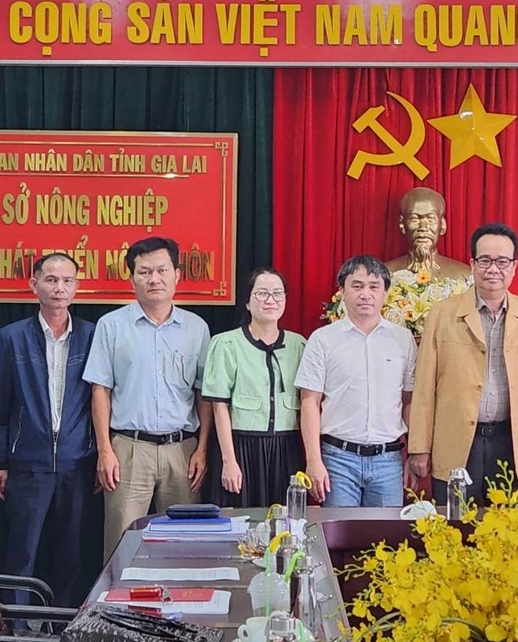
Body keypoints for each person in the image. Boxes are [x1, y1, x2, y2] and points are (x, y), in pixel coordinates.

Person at [83, 237, 212, 560]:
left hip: (182, 451)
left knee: (184, 546)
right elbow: (100, 390)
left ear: (176, 275)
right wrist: (105, 451)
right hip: (128, 450)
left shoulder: (196, 328)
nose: (154, 279)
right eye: (144, 272)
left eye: (161, 270)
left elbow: (203, 394)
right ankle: (114, 610)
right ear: (132, 278)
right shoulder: (111, 326)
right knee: (121, 547)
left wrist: (203, 448)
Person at [0, 252, 98, 607]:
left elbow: (101, 401)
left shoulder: (92, 336)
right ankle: (18, 625)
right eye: (51, 280)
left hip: (77, 463)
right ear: (34, 285)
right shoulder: (10, 338)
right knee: (22, 553)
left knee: (71, 553)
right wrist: (0, 461)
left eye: (67, 281)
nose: (59, 288)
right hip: (28, 464)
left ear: (77, 288)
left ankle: (64, 622)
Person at [408, 223, 518, 499]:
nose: (493, 269)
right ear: (472, 264)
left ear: (514, 267)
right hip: (456, 440)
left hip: (511, 441)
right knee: (451, 531)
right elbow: (424, 387)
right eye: (485, 260)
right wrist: (419, 446)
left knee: (507, 534)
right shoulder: (443, 314)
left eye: (502, 261)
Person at [295, 255, 417, 507]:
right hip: (337, 459)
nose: (366, 294)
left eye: (374, 286)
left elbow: (409, 402)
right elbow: (309, 402)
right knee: (338, 538)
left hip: (388, 461)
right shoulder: (323, 339)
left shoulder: (403, 340)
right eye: (357, 285)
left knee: (386, 542)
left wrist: (413, 455)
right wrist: (313, 460)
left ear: (385, 293)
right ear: (342, 291)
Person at [202, 267, 307, 507]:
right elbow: (219, 407)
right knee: (241, 522)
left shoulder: (299, 344)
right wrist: (229, 460)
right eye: (262, 294)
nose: (271, 300)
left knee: (286, 522)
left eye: (277, 294)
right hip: (241, 446)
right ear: (247, 302)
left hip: (286, 448)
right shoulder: (226, 343)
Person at [384, 187, 471, 279]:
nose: (423, 227)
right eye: (414, 219)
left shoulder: (463, 275)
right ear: (402, 224)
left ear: (442, 225)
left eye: (430, 219)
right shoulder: (384, 275)